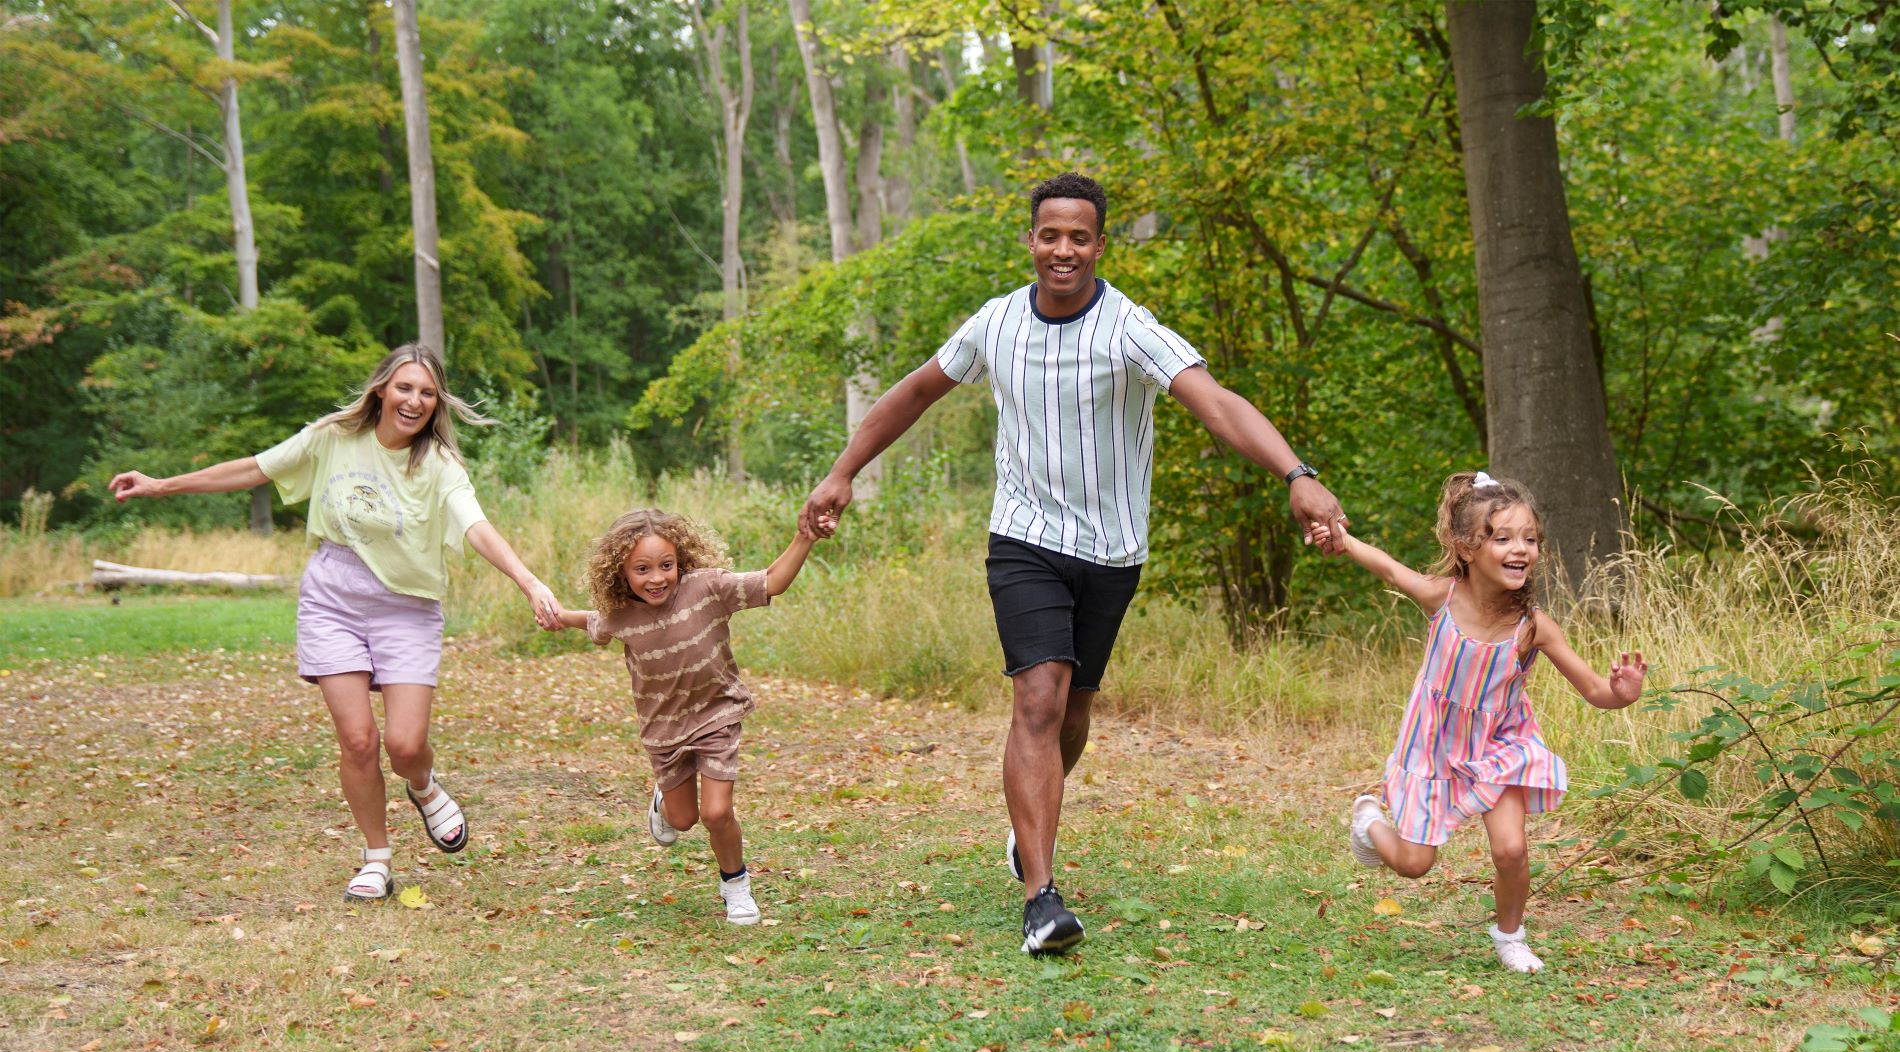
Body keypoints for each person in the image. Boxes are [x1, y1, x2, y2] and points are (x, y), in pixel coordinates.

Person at [799, 172, 1349, 955]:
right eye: (1049, 234)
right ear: (1031, 240)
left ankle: (1032, 823)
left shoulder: (1129, 328)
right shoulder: (994, 325)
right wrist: (841, 470)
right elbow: (916, 392)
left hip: (1111, 549)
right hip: (1022, 539)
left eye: (1079, 236)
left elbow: (1217, 403)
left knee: (1073, 712)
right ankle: (1041, 897)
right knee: (1038, 701)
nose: (1063, 249)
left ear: (1099, 244)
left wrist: (1297, 475)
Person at [109, 344, 560, 901]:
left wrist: (529, 580)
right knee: (357, 739)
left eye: (426, 393)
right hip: (332, 595)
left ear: (436, 404)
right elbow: (254, 467)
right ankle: (377, 860)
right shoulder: (332, 437)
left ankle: (422, 785)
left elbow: (476, 526)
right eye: (404, 388)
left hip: (407, 605)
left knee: (405, 742)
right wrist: (161, 484)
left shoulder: (439, 466)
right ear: (380, 390)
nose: (414, 401)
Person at [1315, 471, 1647, 972]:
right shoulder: (1441, 599)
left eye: (1530, 539)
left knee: (1511, 850)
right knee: (1412, 865)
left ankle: (1510, 936)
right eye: (1504, 538)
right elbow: (1385, 568)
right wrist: (1342, 538)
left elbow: (1596, 691)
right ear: (1467, 549)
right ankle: (1367, 820)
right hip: (1432, 747)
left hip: (1500, 745)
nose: (1522, 549)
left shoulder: (1533, 627)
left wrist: (1621, 693)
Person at [548, 509, 824, 925]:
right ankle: (664, 799)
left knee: (716, 814)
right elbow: (590, 622)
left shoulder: (708, 588)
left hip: (718, 714)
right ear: (621, 573)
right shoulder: (620, 614)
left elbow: (772, 582)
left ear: (681, 560)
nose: (656, 577)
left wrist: (806, 537)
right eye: (641, 569)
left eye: (666, 565)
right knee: (683, 820)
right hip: (664, 731)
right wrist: (555, 616)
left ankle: (736, 885)